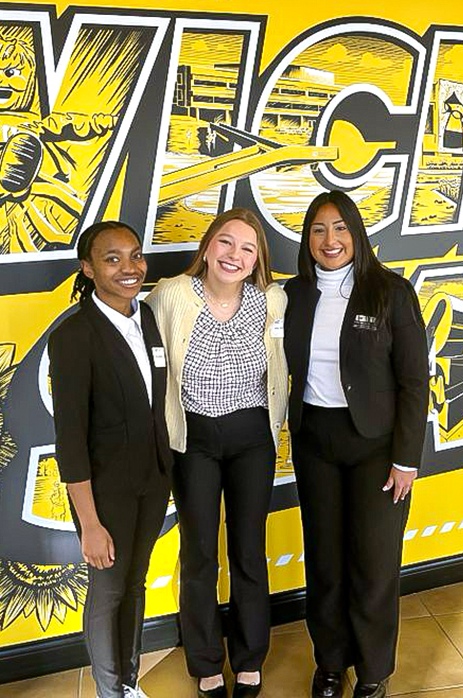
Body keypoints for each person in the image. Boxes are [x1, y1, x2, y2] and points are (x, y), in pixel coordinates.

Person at [284, 191, 430, 698]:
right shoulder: (294, 295)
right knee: (324, 562)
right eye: (319, 229)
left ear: (357, 233)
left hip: (375, 447)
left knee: (373, 562)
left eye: (341, 228)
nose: (330, 240)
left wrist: (406, 459)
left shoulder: (389, 291)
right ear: (307, 238)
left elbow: (415, 382)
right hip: (315, 442)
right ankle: (330, 664)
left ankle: (372, 672)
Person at [147, 208, 288, 698]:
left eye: (247, 249)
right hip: (194, 442)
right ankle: (206, 663)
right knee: (199, 554)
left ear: (257, 261)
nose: (235, 255)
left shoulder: (272, 302)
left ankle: (250, 660)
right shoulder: (171, 295)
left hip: (253, 439)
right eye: (226, 243)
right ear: (207, 248)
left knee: (249, 551)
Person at [49, 221, 172, 698]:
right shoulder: (75, 336)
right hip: (105, 493)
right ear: (88, 268)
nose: (130, 268)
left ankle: (128, 680)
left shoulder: (147, 319)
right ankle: (108, 690)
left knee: (135, 585)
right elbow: (71, 440)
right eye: (112, 258)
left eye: (135, 256)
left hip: (152, 479)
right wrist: (90, 523)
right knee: (108, 592)